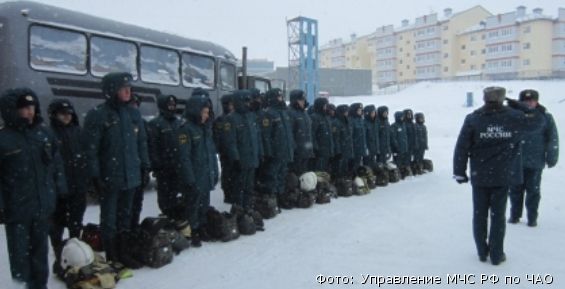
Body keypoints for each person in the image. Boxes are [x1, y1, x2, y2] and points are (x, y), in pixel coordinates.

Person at [453, 86, 544, 265]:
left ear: (485, 98)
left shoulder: (474, 119)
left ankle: (482, 251)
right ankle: (496, 254)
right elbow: (539, 122)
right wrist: (522, 106)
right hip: (503, 175)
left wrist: (459, 171)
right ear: (502, 99)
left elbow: (462, 147)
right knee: (498, 216)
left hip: (480, 175)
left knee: (479, 215)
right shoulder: (514, 117)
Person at [0, 88, 67, 289]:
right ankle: (23, 285)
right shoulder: (4, 139)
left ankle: (40, 285)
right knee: (20, 255)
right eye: (24, 108)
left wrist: (60, 190)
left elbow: (56, 163)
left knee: (40, 251)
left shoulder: (44, 133)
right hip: (17, 209)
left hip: (42, 206)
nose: (29, 112)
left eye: (32, 107)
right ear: (12, 110)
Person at [82, 72, 150, 268]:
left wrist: (145, 167)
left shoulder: (133, 114)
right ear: (112, 91)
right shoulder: (98, 115)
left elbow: (141, 143)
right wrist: (94, 176)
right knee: (109, 218)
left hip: (131, 176)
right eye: (123, 88)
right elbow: (91, 149)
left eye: (129, 88)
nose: (128, 92)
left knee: (126, 216)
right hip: (110, 177)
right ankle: (112, 255)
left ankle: (124, 251)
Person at [47, 98, 87, 276]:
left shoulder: (78, 131)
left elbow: (85, 154)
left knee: (76, 220)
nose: (67, 117)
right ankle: (59, 254)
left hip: (78, 184)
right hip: (57, 189)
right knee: (57, 223)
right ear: (54, 115)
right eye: (63, 114)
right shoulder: (49, 134)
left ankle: (74, 249)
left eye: (69, 113)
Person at [508, 89, 559, 227]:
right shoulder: (512, 115)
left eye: (532, 100)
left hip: (535, 161)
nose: (529, 103)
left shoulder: (545, 117)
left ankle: (532, 218)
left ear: (537, 101)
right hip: (515, 161)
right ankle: (515, 215)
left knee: (533, 191)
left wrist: (552, 156)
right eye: (526, 101)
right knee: (515, 190)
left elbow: (552, 138)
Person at [146, 94, 191, 236]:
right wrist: (156, 164)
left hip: (178, 166)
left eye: (173, 105)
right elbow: (152, 147)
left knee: (178, 195)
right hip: (164, 168)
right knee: (165, 196)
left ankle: (177, 218)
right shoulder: (155, 124)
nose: (172, 107)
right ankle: (168, 216)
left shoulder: (178, 122)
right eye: (169, 105)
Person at [178, 94, 219, 247]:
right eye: (204, 112)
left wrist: (214, 171)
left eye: (208, 112)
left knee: (204, 204)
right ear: (196, 111)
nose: (207, 115)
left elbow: (211, 153)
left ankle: (202, 226)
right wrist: (189, 178)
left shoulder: (205, 129)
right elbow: (184, 158)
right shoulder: (186, 130)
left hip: (205, 174)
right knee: (192, 205)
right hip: (195, 175)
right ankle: (192, 230)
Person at [224, 90, 261, 210]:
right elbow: (230, 142)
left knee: (249, 187)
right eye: (245, 101)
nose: (248, 103)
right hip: (241, 161)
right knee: (239, 188)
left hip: (252, 159)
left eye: (248, 101)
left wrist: (260, 153)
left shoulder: (251, 116)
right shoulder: (231, 119)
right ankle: (239, 212)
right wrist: (235, 159)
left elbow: (256, 137)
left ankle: (248, 210)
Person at [258, 88, 294, 200]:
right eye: (278, 96)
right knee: (272, 176)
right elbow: (266, 136)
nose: (281, 98)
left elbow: (288, 133)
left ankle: (280, 196)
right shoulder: (268, 114)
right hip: (275, 151)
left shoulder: (285, 112)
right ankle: (272, 197)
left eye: (281, 96)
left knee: (282, 174)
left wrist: (291, 146)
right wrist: (269, 152)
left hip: (285, 150)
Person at [129, 93, 150, 228]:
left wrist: (146, 166)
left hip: (138, 169)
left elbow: (146, 145)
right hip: (125, 171)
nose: (134, 107)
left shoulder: (143, 124)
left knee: (137, 202)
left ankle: (134, 227)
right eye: (132, 104)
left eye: (136, 104)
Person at [213, 93, 235, 204]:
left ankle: (233, 192)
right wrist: (220, 149)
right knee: (227, 174)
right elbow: (217, 137)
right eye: (230, 104)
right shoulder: (220, 120)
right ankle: (228, 194)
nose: (232, 106)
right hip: (225, 153)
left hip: (234, 151)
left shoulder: (235, 117)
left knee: (235, 174)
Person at [287, 89, 314, 175]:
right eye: (300, 100)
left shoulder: (304, 113)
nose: (303, 102)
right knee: (295, 174)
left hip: (306, 150)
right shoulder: (290, 113)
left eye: (303, 99)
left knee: (304, 174)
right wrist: (294, 147)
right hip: (297, 151)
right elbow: (289, 133)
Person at [310, 97, 334, 172]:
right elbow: (312, 134)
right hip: (320, 149)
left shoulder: (326, 117)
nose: (326, 107)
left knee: (325, 170)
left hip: (327, 149)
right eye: (325, 105)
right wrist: (316, 147)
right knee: (319, 170)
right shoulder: (315, 117)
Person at [334, 105, 353, 179]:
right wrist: (338, 151)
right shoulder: (336, 122)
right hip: (341, 149)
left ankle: (346, 180)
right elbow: (336, 138)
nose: (347, 113)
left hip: (347, 148)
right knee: (340, 168)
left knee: (347, 166)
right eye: (345, 112)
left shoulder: (347, 121)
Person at [390, 111, 410, 178]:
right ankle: (398, 174)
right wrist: (396, 146)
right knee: (398, 162)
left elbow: (405, 136)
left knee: (403, 161)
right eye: (401, 117)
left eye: (403, 117)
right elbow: (393, 138)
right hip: (397, 149)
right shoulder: (394, 126)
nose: (402, 118)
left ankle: (403, 173)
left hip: (404, 147)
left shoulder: (403, 125)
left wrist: (406, 146)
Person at [349, 103, 367, 174]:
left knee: (358, 164)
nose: (360, 111)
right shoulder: (351, 120)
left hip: (360, 147)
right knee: (353, 166)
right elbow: (351, 136)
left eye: (361, 110)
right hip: (354, 147)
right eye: (359, 110)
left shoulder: (361, 120)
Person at [363, 105, 380, 171]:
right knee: (367, 164)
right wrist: (365, 148)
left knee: (373, 163)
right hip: (368, 147)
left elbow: (377, 136)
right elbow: (364, 137)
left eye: (374, 112)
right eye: (372, 112)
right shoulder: (364, 123)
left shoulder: (375, 123)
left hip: (374, 147)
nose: (374, 114)